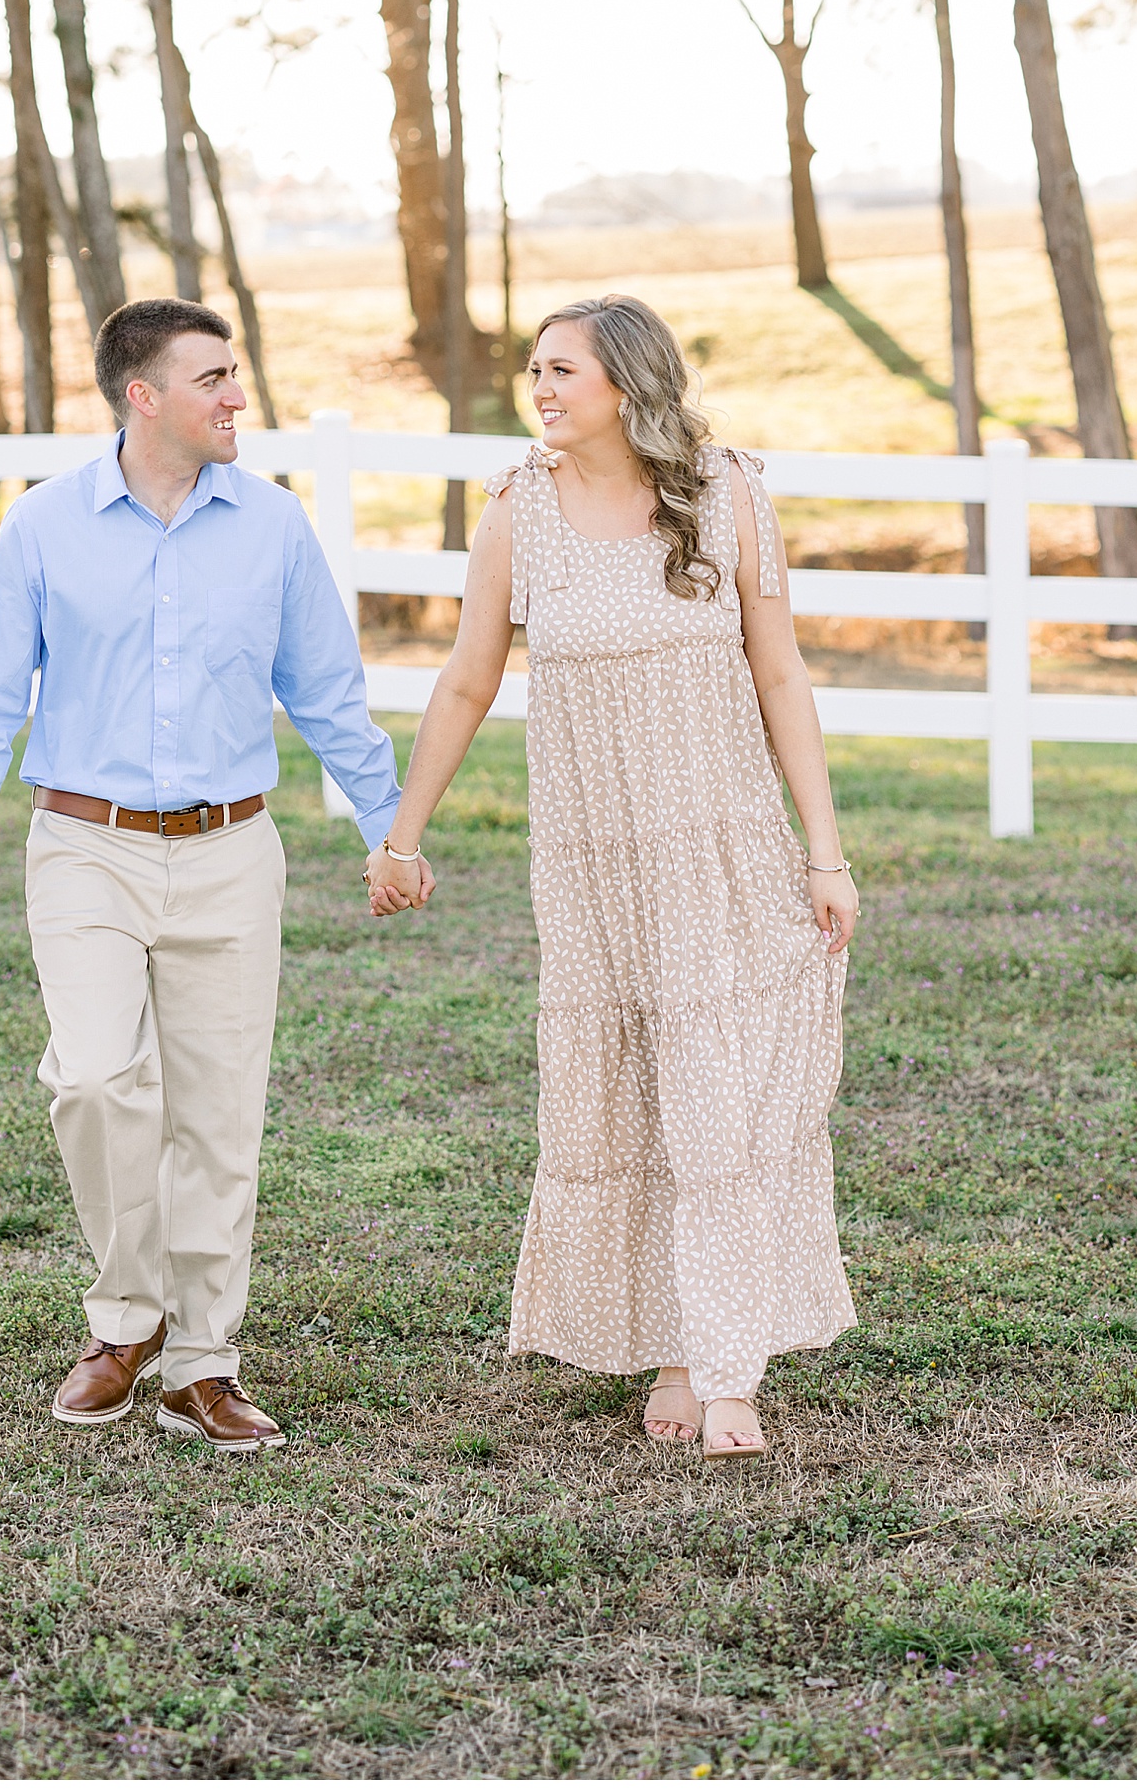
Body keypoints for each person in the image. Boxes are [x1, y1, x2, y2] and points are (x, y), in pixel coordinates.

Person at [363, 295, 857, 1459]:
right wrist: (403, 833)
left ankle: (727, 1367)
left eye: (562, 370)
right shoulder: (516, 512)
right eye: (533, 370)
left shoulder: (725, 488)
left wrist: (823, 851)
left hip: (720, 843)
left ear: (628, 386)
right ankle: (677, 1341)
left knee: (721, 1100)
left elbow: (781, 675)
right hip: (591, 867)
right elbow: (465, 680)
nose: (539, 389)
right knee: (637, 1102)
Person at [0, 298, 421, 1452]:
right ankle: (127, 1313)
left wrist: (389, 827)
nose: (236, 396)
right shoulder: (45, 527)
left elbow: (329, 696)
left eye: (236, 373)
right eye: (212, 378)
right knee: (97, 1081)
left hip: (230, 850)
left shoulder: (273, 527)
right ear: (141, 394)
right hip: (84, 845)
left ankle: (201, 1361)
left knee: (217, 1116)